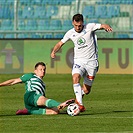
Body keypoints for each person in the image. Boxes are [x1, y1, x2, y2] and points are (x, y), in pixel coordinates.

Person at [51, 13, 113, 112]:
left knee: (87, 90)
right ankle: (80, 105)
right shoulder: (70, 33)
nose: (78, 27)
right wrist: (54, 51)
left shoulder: (90, 27)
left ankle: (77, 101)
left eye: (79, 25)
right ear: (72, 23)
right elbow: (60, 43)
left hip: (92, 62)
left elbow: (102, 25)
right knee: (75, 77)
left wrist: (107, 27)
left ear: (83, 23)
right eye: (76, 25)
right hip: (79, 61)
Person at [0, 62, 74, 115]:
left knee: (54, 112)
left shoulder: (42, 84)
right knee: (42, 99)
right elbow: (14, 81)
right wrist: (0, 84)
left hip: (33, 103)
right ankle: (60, 104)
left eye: (44, 69)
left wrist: (55, 108)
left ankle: (28, 111)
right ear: (35, 71)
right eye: (40, 69)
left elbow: (43, 102)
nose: (43, 71)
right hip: (31, 95)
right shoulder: (31, 76)